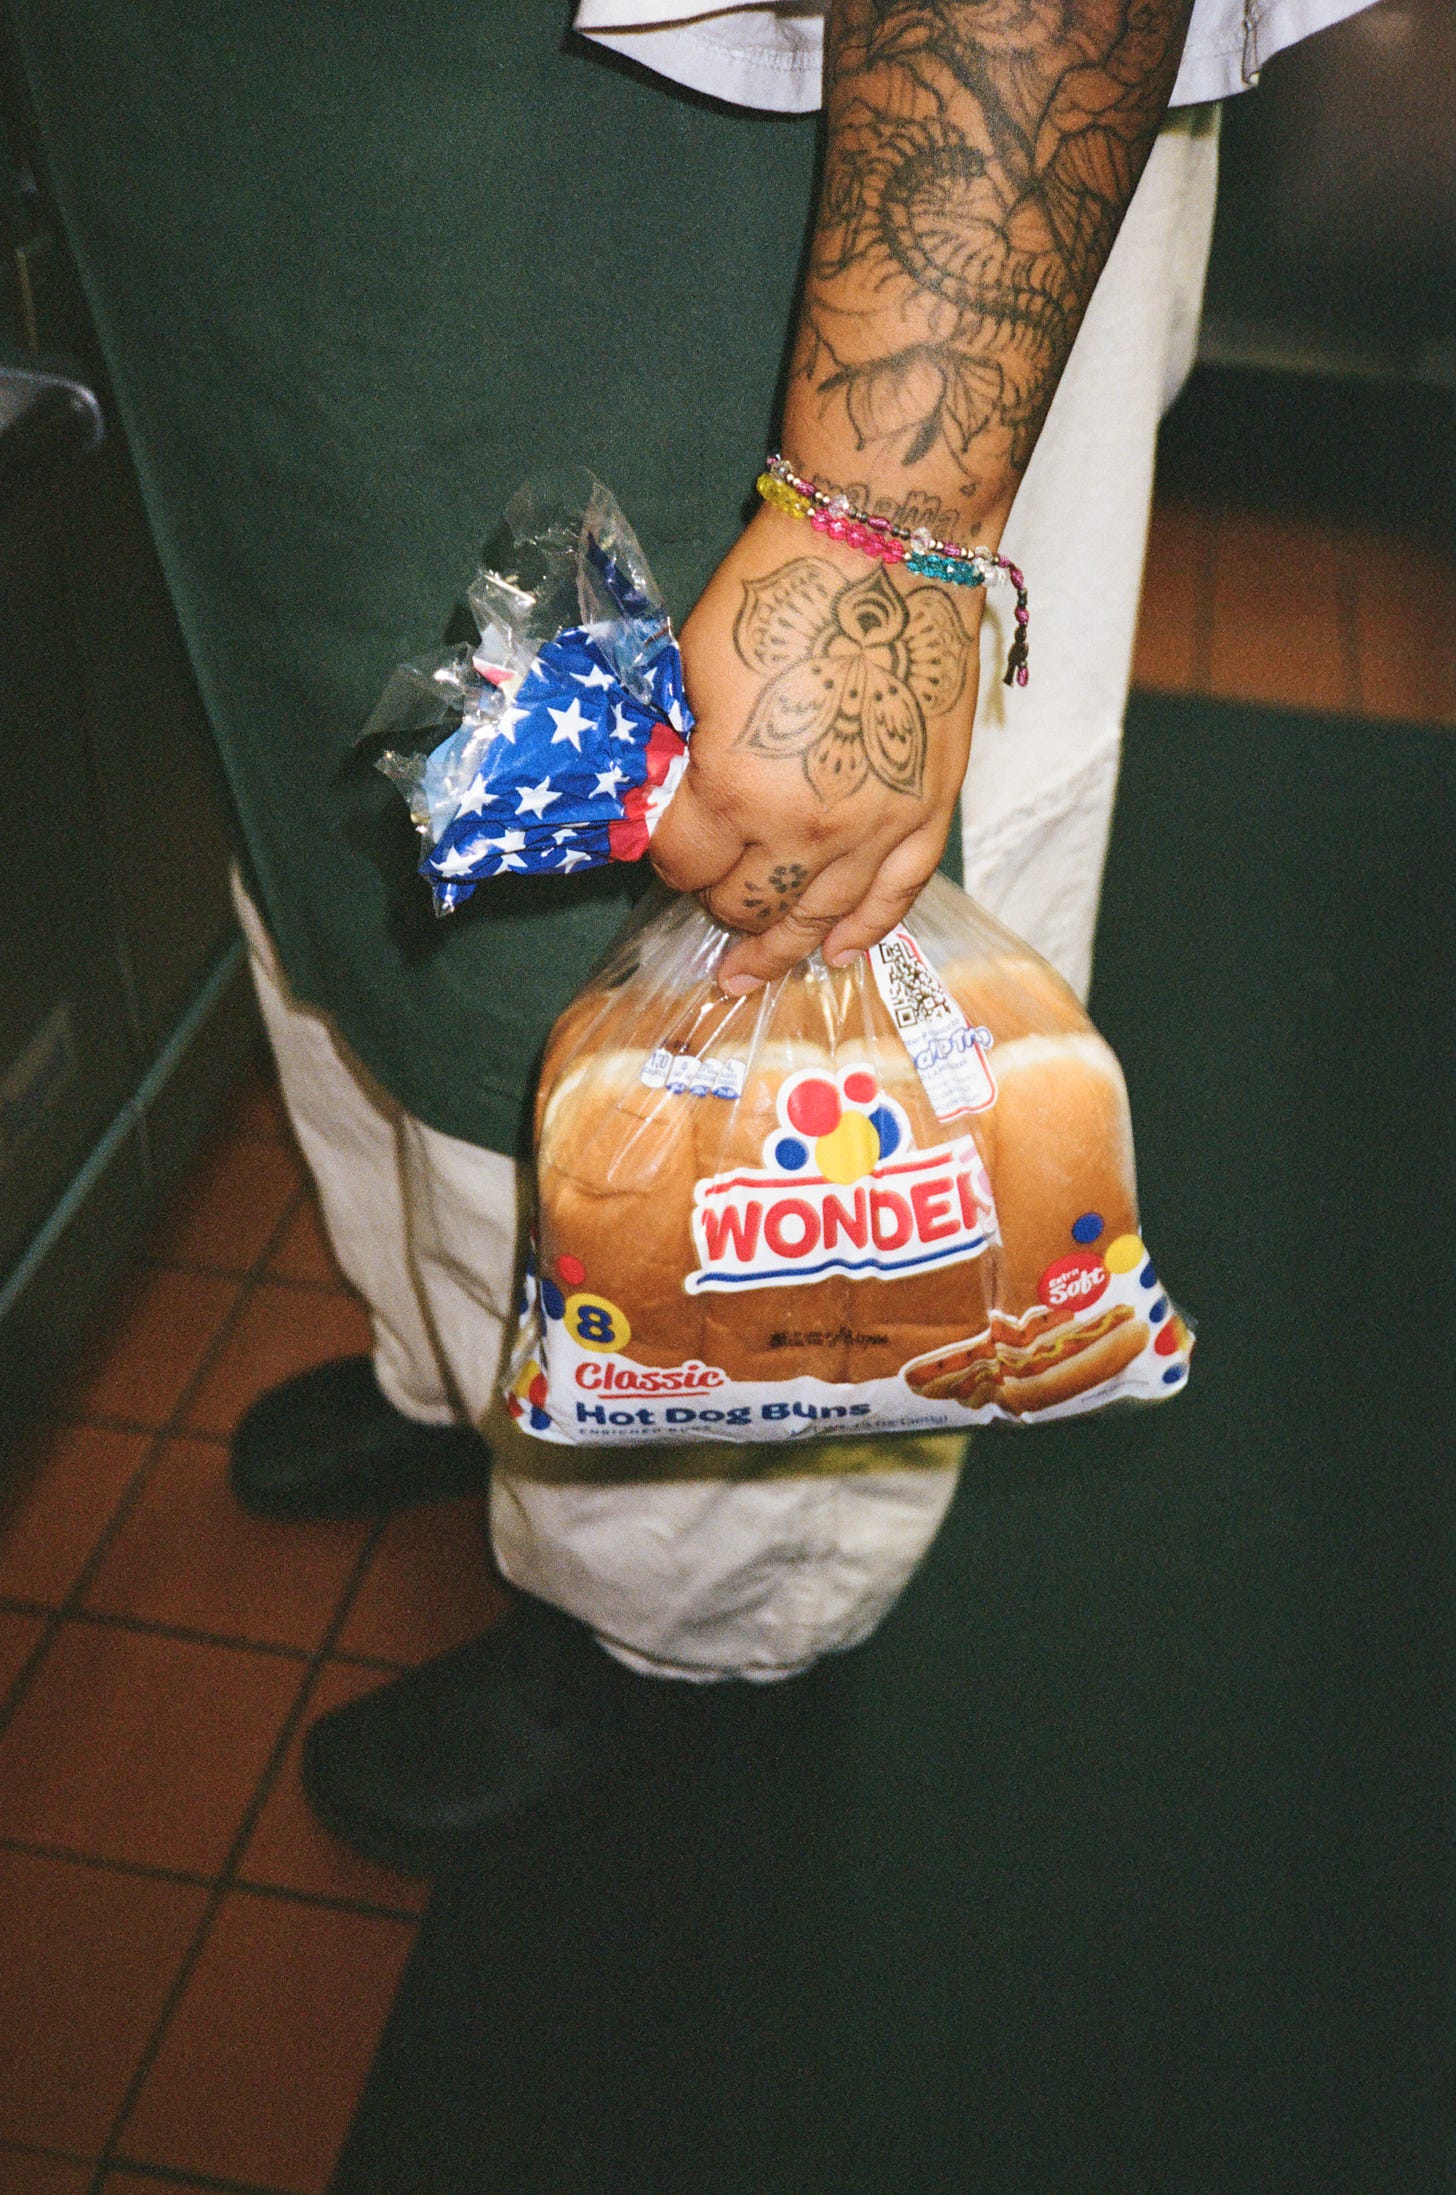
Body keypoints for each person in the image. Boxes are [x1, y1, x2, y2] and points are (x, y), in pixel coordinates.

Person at [11, 0, 1377, 1872]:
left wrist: (885, 528)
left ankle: (687, 1628)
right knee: (383, 870)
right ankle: (471, 1369)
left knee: (722, 981)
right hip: (277, 189)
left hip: (736, 191)